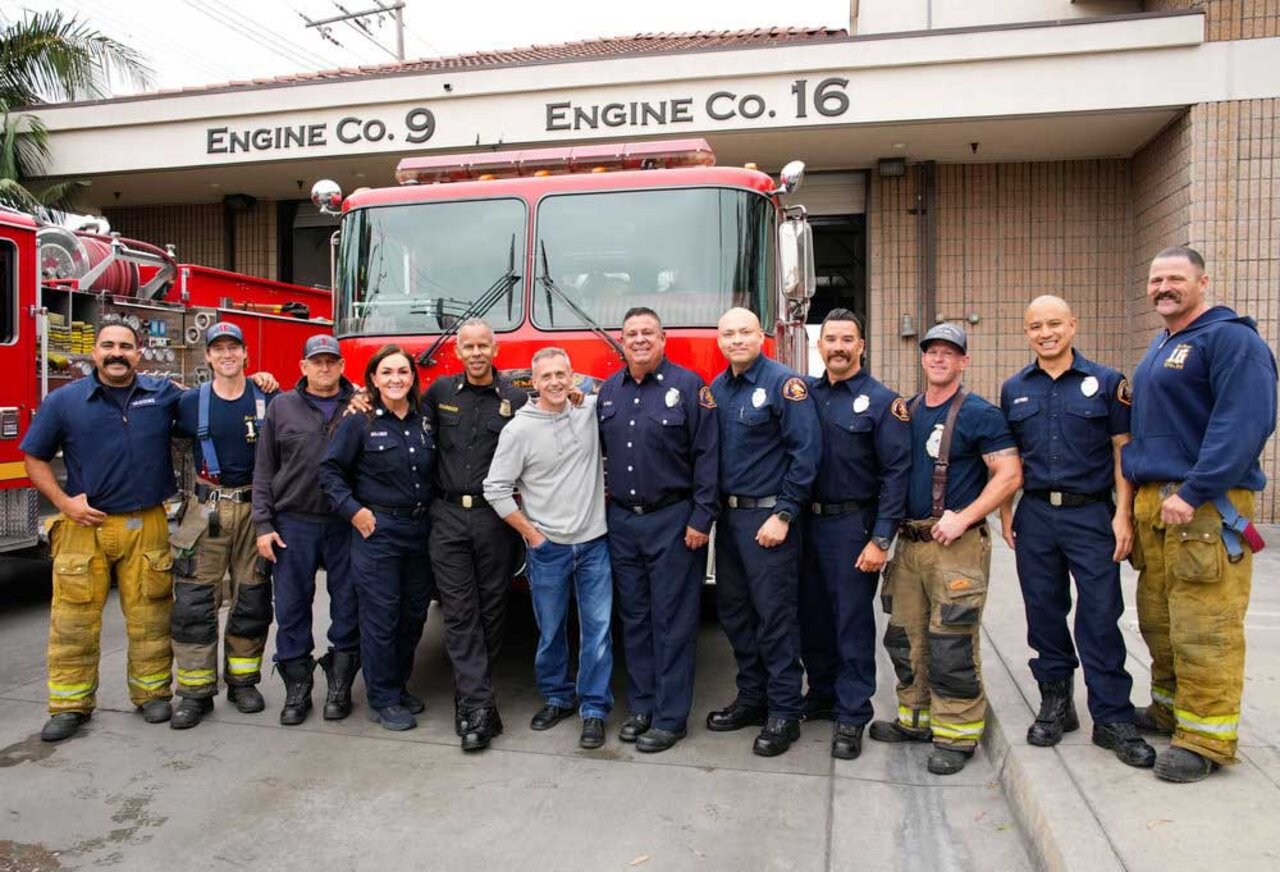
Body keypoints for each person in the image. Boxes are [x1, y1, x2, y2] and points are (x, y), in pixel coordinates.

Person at [1123, 246, 1277, 783]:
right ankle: (1170, 710)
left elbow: (1244, 423)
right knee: (1160, 619)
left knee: (1204, 625)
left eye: (1175, 278)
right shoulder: (1163, 344)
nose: (1163, 287)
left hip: (1204, 507)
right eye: (1156, 278)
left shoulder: (1231, 340)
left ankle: (1206, 739)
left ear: (1203, 282)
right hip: (1158, 505)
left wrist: (1194, 489)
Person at [998, 296, 1155, 768]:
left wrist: (1122, 515)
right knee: (1043, 612)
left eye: (1053, 324)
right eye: (1035, 327)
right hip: (1037, 515)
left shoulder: (1106, 383)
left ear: (1073, 324)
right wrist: (1007, 512)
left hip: (1091, 516)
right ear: (1026, 333)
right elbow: (1008, 457)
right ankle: (1056, 704)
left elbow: (1122, 452)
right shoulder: (1014, 388)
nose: (1045, 333)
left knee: (1101, 615)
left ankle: (1111, 716)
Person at [870, 323, 1022, 776]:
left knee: (951, 642)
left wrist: (967, 515)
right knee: (905, 636)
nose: (938, 359)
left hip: (955, 545)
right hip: (911, 545)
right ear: (923, 358)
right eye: (932, 352)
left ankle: (957, 735)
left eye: (948, 353)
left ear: (963, 362)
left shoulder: (980, 414)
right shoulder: (907, 410)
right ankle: (914, 719)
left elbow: (1010, 474)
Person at [22, 320, 181, 741]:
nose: (116, 353)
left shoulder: (162, 395)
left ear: (139, 352)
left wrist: (259, 379)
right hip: (82, 523)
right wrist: (63, 502)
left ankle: (151, 694)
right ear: (93, 352)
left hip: (146, 521)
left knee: (151, 613)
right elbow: (34, 458)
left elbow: (213, 403)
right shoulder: (64, 402)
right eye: (108, 345)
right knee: (72, 620)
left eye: (125, 347)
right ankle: (70, 705)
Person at [598, 307, 718, 753]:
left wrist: (701, 518)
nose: (640, 340)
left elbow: (708, 456)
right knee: (634, 620)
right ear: (622, 341)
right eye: (632, 334)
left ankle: (671, 718)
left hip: (674, 520)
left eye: (648, 332)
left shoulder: (689, 387)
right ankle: (642, 707)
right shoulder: (609, 391)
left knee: (673, 622)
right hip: (623, 521)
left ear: (663, 340)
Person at [483, 347, 613, 750]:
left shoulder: (589, 411)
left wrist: (584, 393)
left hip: (594, 544)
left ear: (572, 377)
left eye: (562, 374)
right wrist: (532, 535)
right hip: (548, 549)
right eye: (547, 377)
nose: (555, 382)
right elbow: (495, 488)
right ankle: (557, 698)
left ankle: (593, 709)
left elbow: (615, 392)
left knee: (598, 631)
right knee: (551, 630)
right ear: (533, 384)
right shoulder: (518, 430)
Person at [706, 307, 820, 757]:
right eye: (728, 333)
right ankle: (753, 698)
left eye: (744, 332)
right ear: (720, 341)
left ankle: (785, 711)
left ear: (761, 335)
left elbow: (806, 455)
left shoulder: (784, 385)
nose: (736, 340)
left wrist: (786, 513)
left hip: (770, 520)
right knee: (735, 614)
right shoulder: (718, 389)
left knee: (775, 618)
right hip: (730, 522)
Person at [800, 309, 910, 760]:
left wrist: (881, 539)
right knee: (812, 617)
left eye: (847, 339)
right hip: (806, 523)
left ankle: (852, 713)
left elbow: (897, 474)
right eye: (831, 339)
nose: (838, 347)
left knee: (851, 622)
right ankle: (823, 692)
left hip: (853, 526)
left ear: (861, 346)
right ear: (820, 345)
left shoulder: (883, 402)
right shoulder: (803, 394)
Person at [424, 319, 528, 752]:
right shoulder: (439, 394)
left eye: (483, 345)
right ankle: (479, 708)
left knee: (492, 610)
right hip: (447, 515)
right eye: (468, 346)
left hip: (495, 519)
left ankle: (471, 697)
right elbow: (403, 422)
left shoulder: (516, 399)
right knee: (459, 611)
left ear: (495, 350)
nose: (476, 353)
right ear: (458, 352)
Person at [320, 345, 435, 732]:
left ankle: (398, 686)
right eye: (386, 372)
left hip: (420, 532)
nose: (396, 379)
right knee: (381, 617)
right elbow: (331, 472)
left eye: (403, 372)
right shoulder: (360, 420)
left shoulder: (424, 419)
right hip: (378, 532)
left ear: (413, 377)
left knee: (413, 613)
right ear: (372, 379)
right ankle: (382, 698)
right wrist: (354, 510)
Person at [168, 322, 276, 729]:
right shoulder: (189, 403)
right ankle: (195, 693)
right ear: (208, 357)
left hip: (256, 509)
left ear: (246, 354)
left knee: (252, 600)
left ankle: (243, 681)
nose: (227, 355)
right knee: (194, 604)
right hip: (206, 509)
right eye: (219, 349)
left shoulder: (267, 394)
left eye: (234, 348)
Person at [252, 334, 360, 726]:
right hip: (292, 523)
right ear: (303, 367)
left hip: (345, 522)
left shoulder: (360, 405)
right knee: (293, 608)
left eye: (332, 361)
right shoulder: (282, 407)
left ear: (342, 365)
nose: (325, 368)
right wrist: (263, 525)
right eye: (317, 361)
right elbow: (264, 470)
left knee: (349, 605)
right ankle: (297, 688)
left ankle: (339, 684)